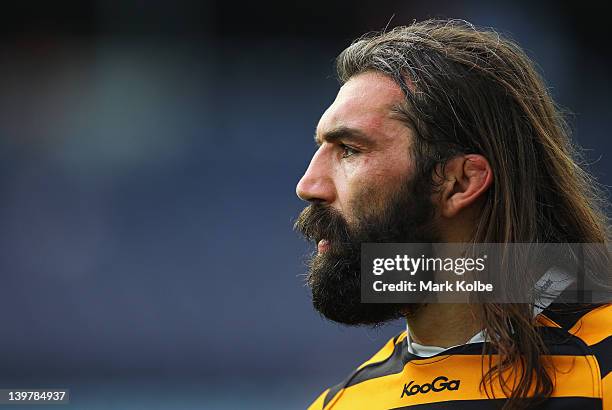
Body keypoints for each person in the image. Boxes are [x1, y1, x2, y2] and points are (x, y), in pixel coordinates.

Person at [294, 19, 611, 410]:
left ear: (460, 183)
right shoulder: (345, 403)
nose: (308, 185)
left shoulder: (603, 370)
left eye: (349, 150)